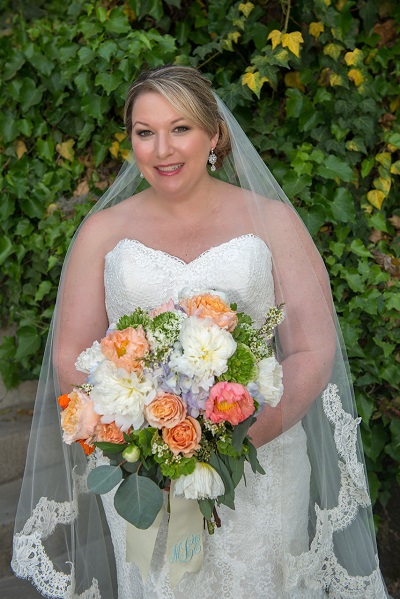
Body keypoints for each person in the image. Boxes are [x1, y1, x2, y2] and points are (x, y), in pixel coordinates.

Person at [11, 65, 389, 598]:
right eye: (145, 132)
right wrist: (136, 438)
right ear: (132, 140)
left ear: (214, 135)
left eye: (181, 128)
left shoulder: (273, 222)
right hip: (142, 476)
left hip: (261, 466)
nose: (162, 149)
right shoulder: (102, 232)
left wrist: (231, 442)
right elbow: (72, 352)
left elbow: (311, 348)